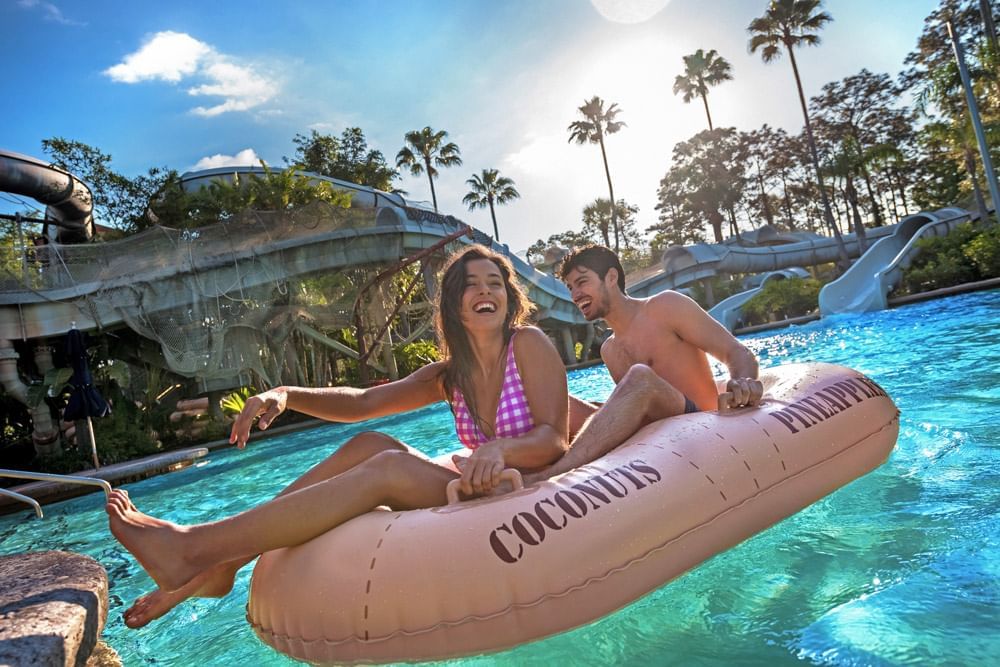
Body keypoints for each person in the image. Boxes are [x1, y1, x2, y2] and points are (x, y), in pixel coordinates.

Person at [110, 244, 570, 628]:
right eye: (472, 283)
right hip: (476, 485)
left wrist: (499, 449)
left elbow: (554, 440)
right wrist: (285, 395)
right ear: (453, 302)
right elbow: (361, 402)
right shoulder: (450, 376)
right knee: (373, 443)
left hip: (526, 491)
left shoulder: (527, 344)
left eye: (495, 283)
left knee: (389, 466)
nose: (486, 290)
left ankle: (195, 550)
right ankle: (223, 562)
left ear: (509, 297)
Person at [525, 244, 764, 482]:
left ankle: (555, 475)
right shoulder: (609, 349)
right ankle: (515, 475)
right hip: (657, 443)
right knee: (558, 402)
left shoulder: (665, 307)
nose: (575, 295)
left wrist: (743, 384)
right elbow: (639, 412)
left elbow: (736, 352)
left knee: (641, 378)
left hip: (703, 424)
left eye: (582, 282)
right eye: (570, 287)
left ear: (610, 277)